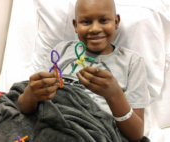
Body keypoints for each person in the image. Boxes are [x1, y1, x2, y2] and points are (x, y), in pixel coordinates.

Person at [18, 0, 149, 141]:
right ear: (75, 25)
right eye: (86, 22)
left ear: (116, 21)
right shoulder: (61, 51)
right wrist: (32, 93)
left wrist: (114, 95)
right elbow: (24, 107)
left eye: (104, 20)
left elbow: (136, 135)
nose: (94, 29)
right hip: (50, 123)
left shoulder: (132, 62)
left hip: (93, 132)